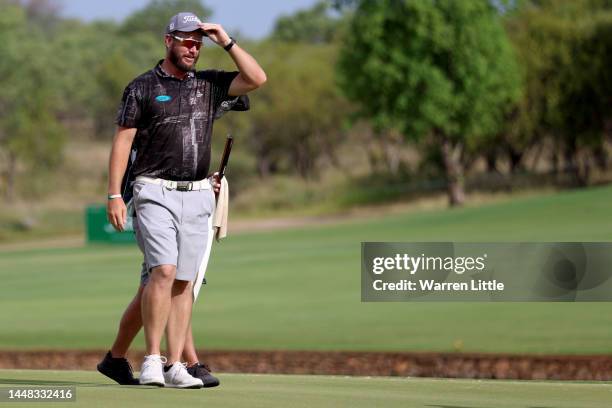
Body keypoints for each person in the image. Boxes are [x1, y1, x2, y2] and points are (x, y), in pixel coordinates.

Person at [104, 12, 266, 388]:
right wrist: (114, 193)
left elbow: (257, 79)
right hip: (152, 189)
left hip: (197, 193)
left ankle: (176, 365)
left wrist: (225, 40)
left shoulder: (209, 84)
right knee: (162, 270)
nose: (193, 46)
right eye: (185, 40)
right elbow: (123, 140)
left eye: (198, 41)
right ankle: (152, 360)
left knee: (184, 281)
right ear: (168, 40)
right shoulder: (142, 87)